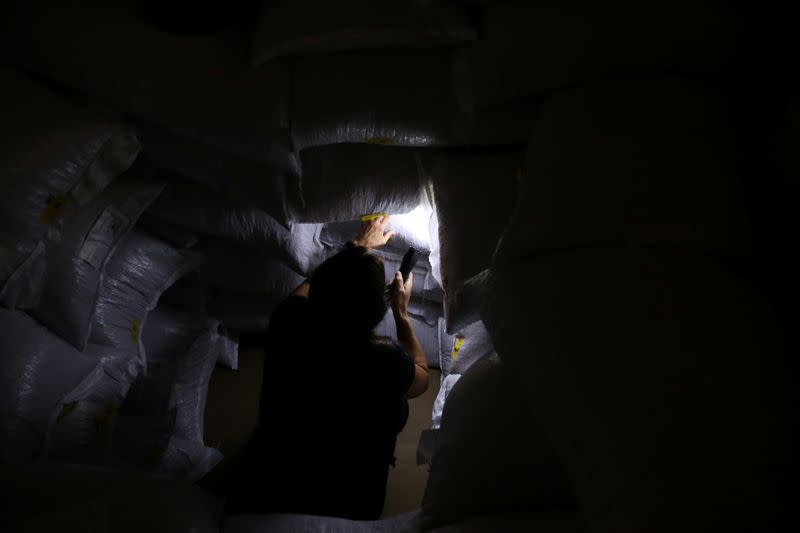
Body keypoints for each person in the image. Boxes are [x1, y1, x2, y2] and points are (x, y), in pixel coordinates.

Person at [225, 215, 430, 520]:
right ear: (377, 313)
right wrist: (402, 314)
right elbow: (422, 378)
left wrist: (355, 248)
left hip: (268, 489)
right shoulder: (384, 362)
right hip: (347, 507)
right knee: (397, 402)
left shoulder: (288, 323)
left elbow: (312, 288)